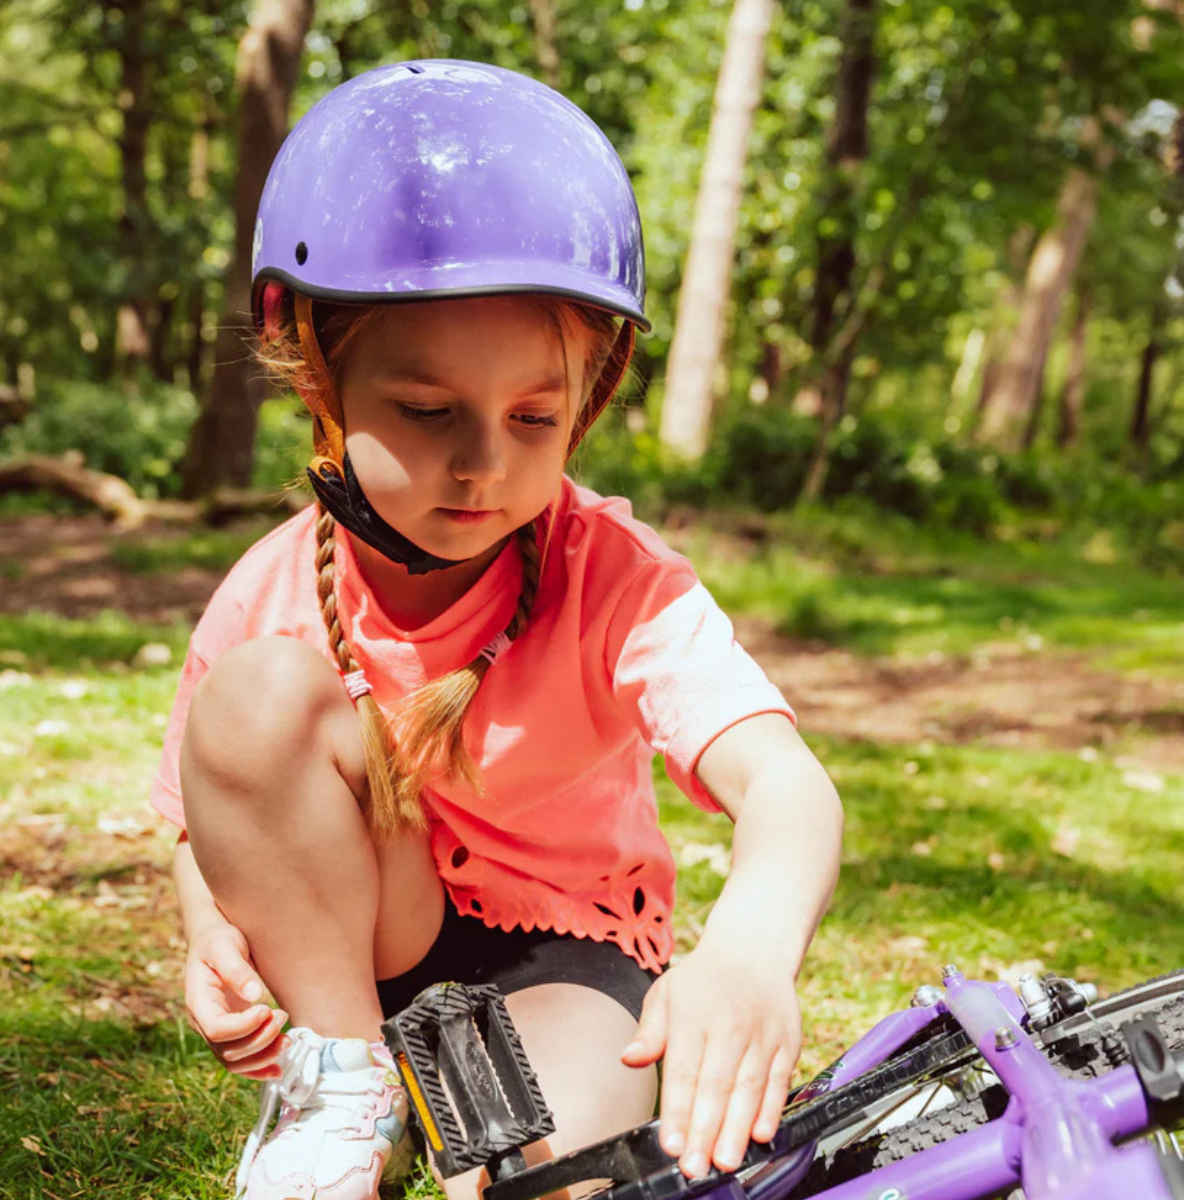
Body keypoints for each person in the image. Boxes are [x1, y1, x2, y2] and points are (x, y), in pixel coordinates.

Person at [152, 60, 843, 1200]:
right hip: (367, 961)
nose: (484, 466)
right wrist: (207, 929)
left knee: (559, 1170)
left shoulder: (616, 578)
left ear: (591, 398)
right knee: (259, 698)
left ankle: (477, 1125)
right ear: (318, 375)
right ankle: (345, 1087)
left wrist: (752, 956)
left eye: (536, 418)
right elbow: (205, 816)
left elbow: (788, 786)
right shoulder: (271, 587)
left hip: (569, 966)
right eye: (427, 413)